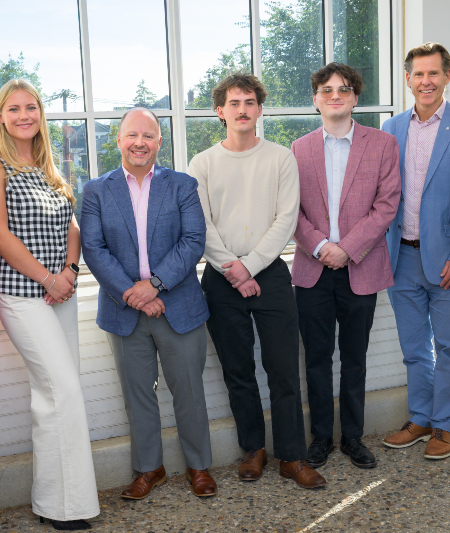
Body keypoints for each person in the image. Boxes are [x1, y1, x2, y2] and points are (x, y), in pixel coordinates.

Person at [0, 79, 99, 531]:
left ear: (41, 113)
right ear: (1, 116)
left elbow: (73, 225)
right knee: (59, 391)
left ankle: (56, 502)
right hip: (22, 294)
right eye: (14, 109)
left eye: (32, 107)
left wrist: (68, 270)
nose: (24, 115)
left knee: (57, 396)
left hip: (59, 290)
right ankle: (64, 507)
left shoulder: (49, 165)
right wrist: (47, 277)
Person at [189, 72, 326, 489]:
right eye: (234, 103)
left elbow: (286, 219)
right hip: (220, 279)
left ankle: (292, 456)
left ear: (260, 109)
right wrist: (233, 268)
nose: (242, 109)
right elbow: (202, 225)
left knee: (283, 369)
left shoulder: (281, 158)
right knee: (238, 371)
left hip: (270, 276)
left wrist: (250, 266)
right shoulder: (203, 163)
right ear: (220, 111)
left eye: (250, 102)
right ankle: (254, 449)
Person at [81, 108, 216, 500]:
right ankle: (149, 469)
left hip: (180, 306)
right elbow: (93, 248)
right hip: (124, 312)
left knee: (189, 390)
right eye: (132, 135)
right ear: (119, 140)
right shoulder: (96, 191)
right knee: (137, 392)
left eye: (149, 136)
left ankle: (199, 466)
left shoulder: (182, 186)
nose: (140, 142)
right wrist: (132, 294)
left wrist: (154, 286)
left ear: (159, 142)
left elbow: (193, 241)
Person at [381, 42, 450, 459]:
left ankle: (445, 424)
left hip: (449, 260)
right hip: (400, 257)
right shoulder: (390, 129)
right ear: (407, 79)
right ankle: (420, 418)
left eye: (433, 73)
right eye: (418, 74)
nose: (425, 81)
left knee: (448, 347)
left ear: (447, 76)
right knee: (413, 348)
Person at [291, 63, 401, 470]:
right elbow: (292, 211)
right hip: (312, 270)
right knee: (316, 359)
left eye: (344, 89)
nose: (335, 95)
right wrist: (321, 246)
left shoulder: (382, 145)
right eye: (326, 89)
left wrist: (347, 248)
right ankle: (321, 438)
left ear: (356, 97)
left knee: (355, 359)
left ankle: (353, 437)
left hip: (361, 268)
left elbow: (387, 205)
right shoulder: (298, 149)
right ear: (316, 98)